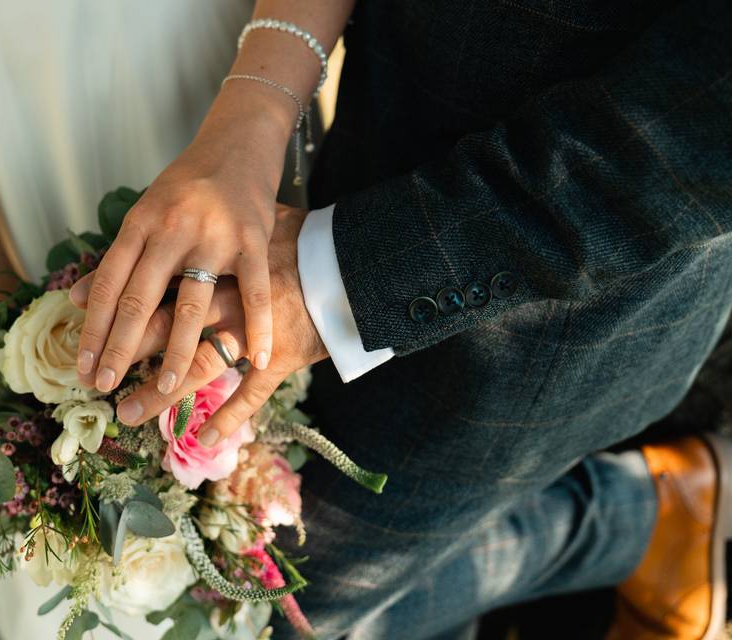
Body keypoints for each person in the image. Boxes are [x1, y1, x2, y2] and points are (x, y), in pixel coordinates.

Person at [69, 0, 732, 638]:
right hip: (363, 141)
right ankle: (650, 518)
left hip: (536, 313)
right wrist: (254, 112)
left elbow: (695, 127)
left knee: (266, 610)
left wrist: (342, 279)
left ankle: (635, 520)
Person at [0, 1, 260, 638]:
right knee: (70, 542)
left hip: (223, 86)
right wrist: (11, 309)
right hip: (4, 115)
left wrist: (262, 116)